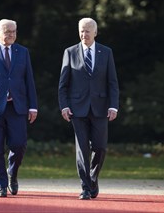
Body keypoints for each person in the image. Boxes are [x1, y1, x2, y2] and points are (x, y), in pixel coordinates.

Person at [0, 19, 38, 197]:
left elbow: (29, 81)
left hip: (17, 107)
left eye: (14, 31)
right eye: (7, 31)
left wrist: (33, 106)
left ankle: (12, 173)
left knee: (19, 145)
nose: (11, 34)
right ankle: (1, 185)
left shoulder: (23, 52)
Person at [58, 17, 119, 200]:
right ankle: (85, 187)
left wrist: (114, 106)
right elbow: (63, 84)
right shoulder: (70, 52)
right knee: (82, 149)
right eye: (81, 30)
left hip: (101, 108)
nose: (84, 34)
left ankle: (93, 178)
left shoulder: (106, 52)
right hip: (77, 109)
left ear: (95, 32)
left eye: (87, 30)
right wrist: (64, 106)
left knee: (99, 148)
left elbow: (112, 82)